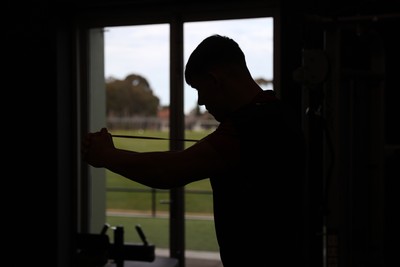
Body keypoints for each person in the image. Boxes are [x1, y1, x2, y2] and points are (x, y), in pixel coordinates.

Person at [82, 34, 307, 266]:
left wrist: (106, 156)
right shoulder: (274, 113)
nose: (200, 101)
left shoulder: (255, 123)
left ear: (215, 79)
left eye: (200, 89)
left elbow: (168, 170)